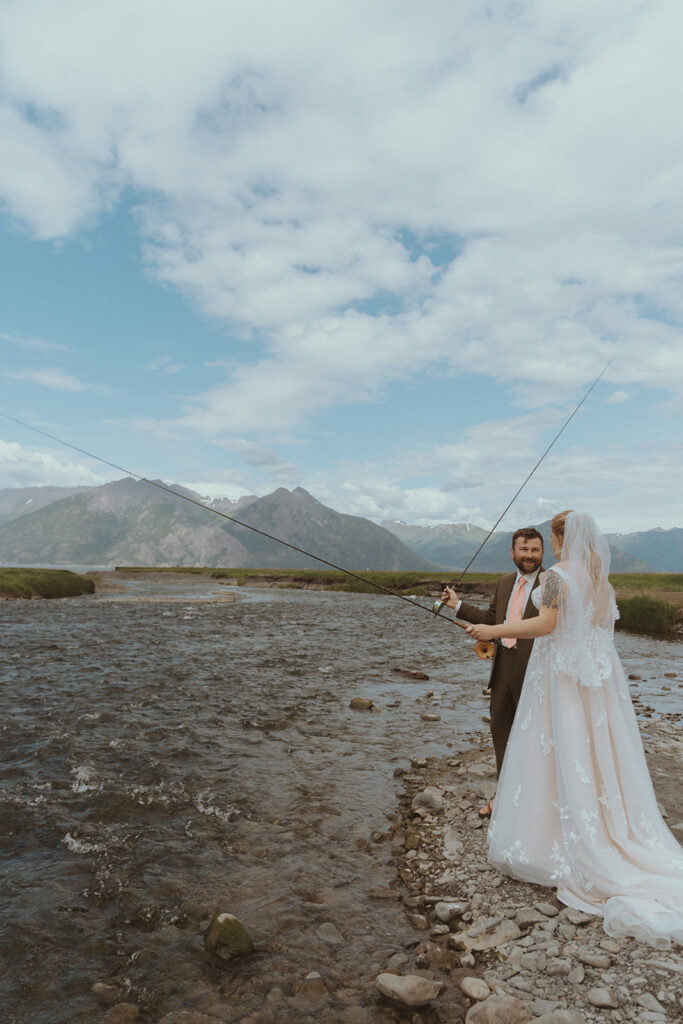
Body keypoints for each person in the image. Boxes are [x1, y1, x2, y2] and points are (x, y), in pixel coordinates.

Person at [465, 510, 683, 947]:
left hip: (562, 677)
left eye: (550, 538)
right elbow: (599, 630)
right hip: (597, 680)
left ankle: (556, 838)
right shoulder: (602, 580)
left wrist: (493, 627)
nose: (550, 545)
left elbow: (547, 626)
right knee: (596, 752)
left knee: (555, 749)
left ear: (560, 538)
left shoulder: (560, 576)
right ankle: (606, 826)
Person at [441, 527, 545, 815]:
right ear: (512, 553)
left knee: (536, 734)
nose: (529, 555)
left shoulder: (551, 583)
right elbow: (491, 620)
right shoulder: (504, 583)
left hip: (535, 670)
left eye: (535, 550)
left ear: (543, 553)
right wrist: (456, 604)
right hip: (503, 665)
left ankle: (537, 801)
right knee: (501, 729)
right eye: (524, 550)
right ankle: (505, 795)